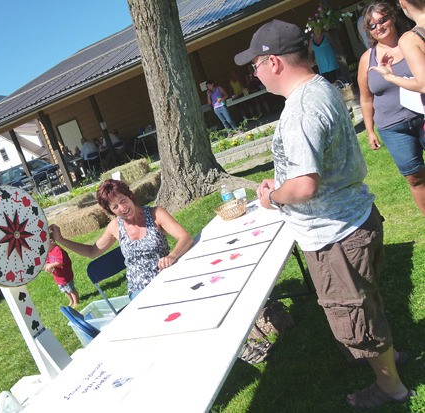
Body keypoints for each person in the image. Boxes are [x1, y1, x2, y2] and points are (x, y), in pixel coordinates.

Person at [234, 19, 414, 409]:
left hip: (334, 235)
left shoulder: (299, 110)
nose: (255, 73)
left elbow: (305, 186)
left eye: (256, 65)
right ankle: (390, 356)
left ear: (275, 63)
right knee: (366, 301)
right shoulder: (321, 88)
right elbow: (308, 168)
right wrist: (282, 180)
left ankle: (390, 387)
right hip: (354, 218)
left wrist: (274, 197)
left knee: (355, 319)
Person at [49, 179, 193, 300]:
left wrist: (172, 256)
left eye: (123, 201)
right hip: (139, 291)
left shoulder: (156, 214)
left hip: (166, 279)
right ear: (110, 211)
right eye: (115, 207)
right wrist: (61, 240)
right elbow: (92, 251)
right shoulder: (115, 227)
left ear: (130, 196)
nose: (123, 208)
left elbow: (185, 237)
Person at [358, 1, 425, 215]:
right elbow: (366, 98)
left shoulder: (413, 40)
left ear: (393, 17)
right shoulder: (367, 59)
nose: (379, 27)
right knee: (414, 177)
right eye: (372, 25)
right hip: (394, 127)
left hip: (423, 116)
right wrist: (370, 131)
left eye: (382, 19)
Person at [45, 233, 79, 308]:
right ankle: (71, 300)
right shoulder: (49, 252)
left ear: (51, 241)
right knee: (65, 290)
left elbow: (61, 262)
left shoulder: (58, 250)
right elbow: (48, 261)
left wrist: (51, 265)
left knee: (71, 289)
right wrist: (48, 266)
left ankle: (76, 302)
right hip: (58, 277)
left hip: (65, 275)